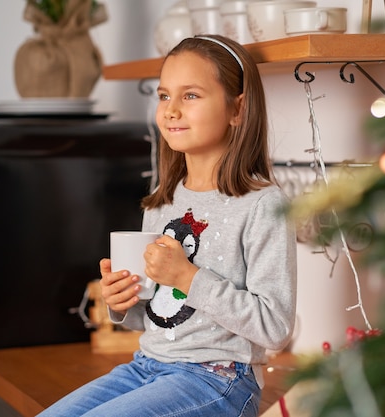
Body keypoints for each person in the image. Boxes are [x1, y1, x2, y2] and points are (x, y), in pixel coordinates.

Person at [37, 34, 297, 417]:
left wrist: (188, 278)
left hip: (220, 379)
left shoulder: (261, 204)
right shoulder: (165, 197)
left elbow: (275, 327)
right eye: (163, 96)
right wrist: (122, 303)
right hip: (148, 367)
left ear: (237, 109)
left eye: (190, 96)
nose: (171, 110)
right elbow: (158, 316)